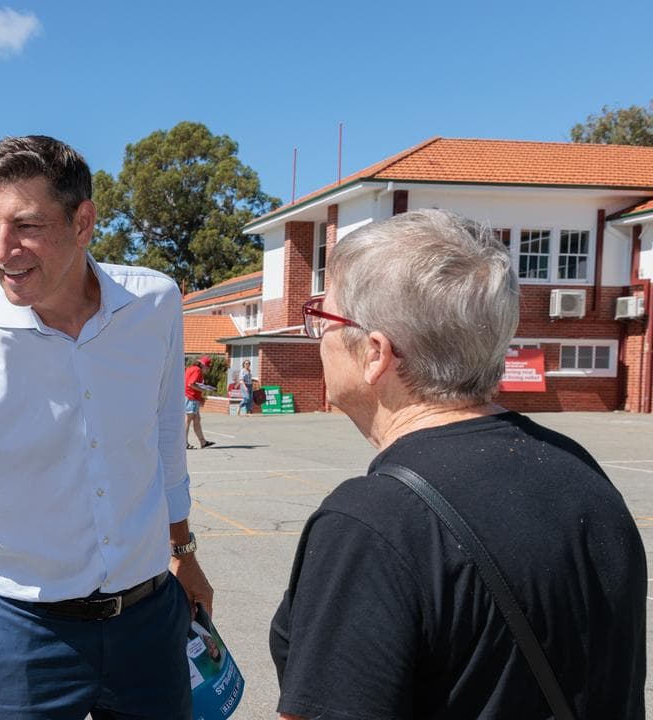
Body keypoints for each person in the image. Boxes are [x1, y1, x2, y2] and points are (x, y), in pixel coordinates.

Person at [271, 209, 646, 719]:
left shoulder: (374, 522)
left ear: (375, 353)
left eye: (325, 318)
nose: (318, 338)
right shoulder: (576, 469)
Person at [0, 135, 213, 719]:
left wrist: (183, 550)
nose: (3, 248)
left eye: (26, 225)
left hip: (150, 620)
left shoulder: (155, 303)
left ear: (83, 221)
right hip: (22, 635)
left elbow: (167, 439)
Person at [184, 355, 216, 449]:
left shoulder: (191, 368)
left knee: (197, 420)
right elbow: (191, 384)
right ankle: (184, 443)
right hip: (191, 397)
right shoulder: (197, 370)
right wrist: (203, 390)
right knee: (188, 420)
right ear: (203, 365)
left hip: (192, 397)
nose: (208, 370)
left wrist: (200, 396)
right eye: (208, 367)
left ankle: (203, 442)